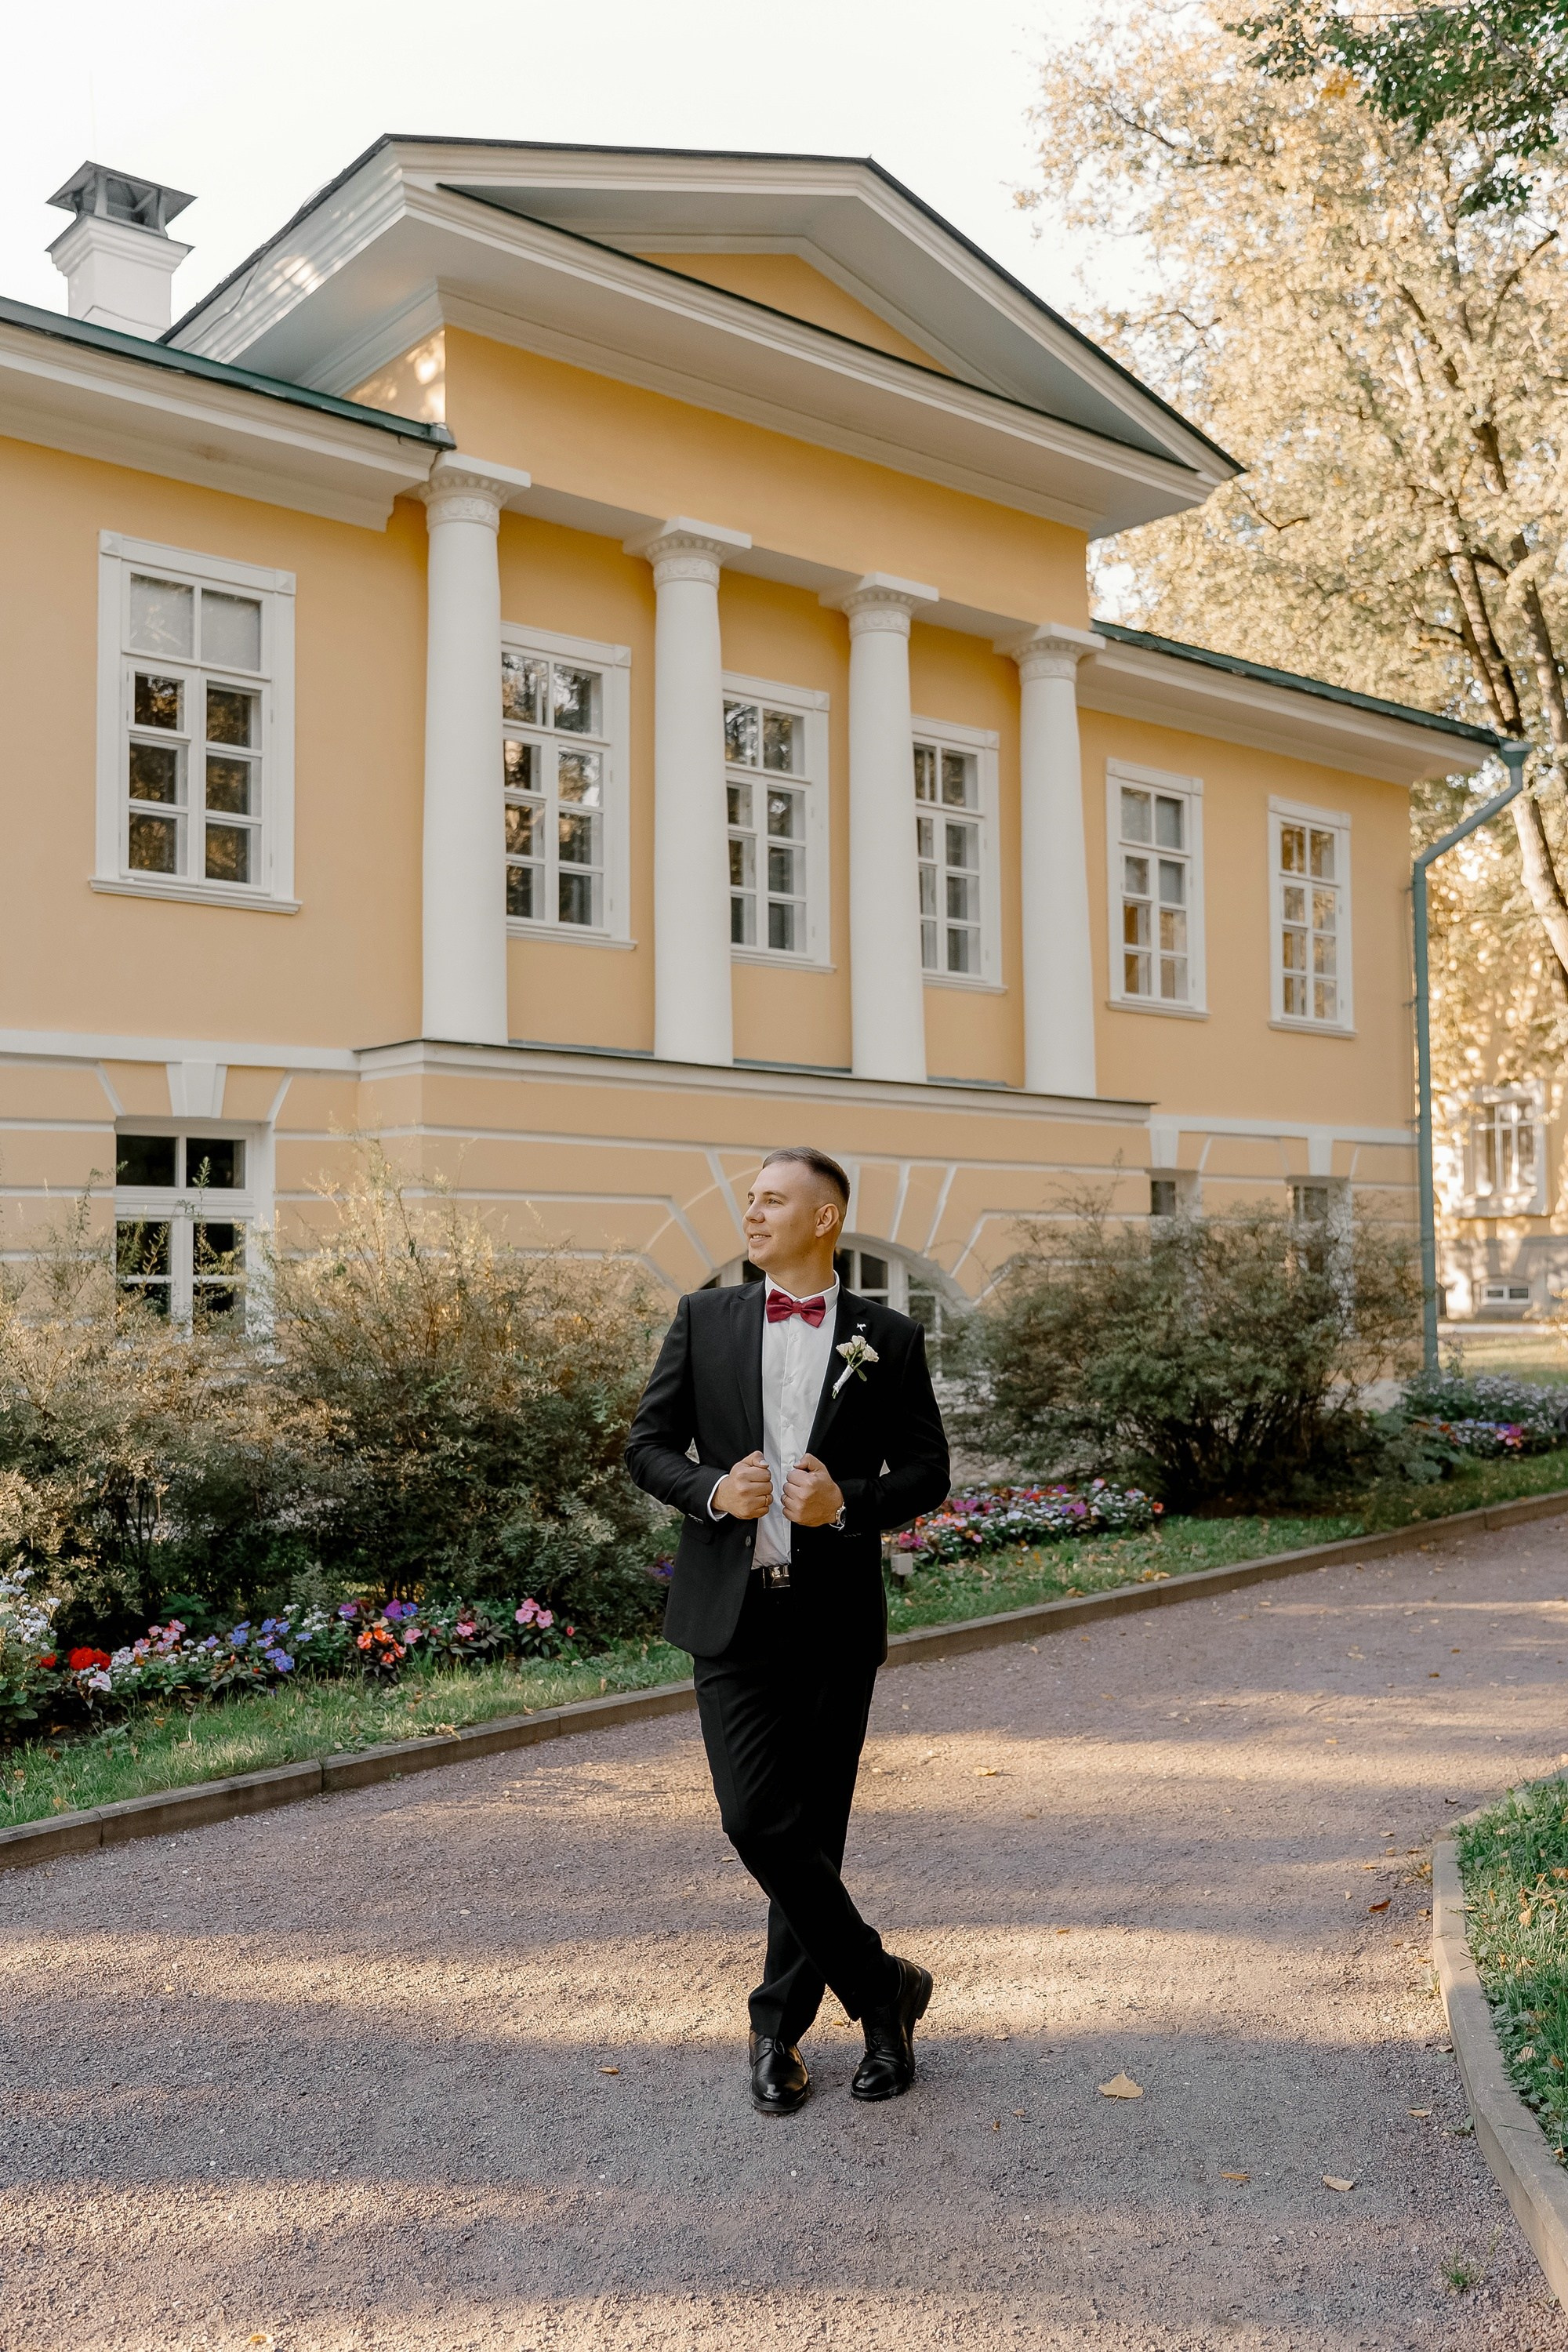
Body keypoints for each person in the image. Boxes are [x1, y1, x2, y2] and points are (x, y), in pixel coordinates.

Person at [624, 1146, 950, 2115]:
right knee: (753, 1820)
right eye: (749, 1199)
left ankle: (778, 2034)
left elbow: (927, 1473)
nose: (752, 1213)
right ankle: (880, 1988)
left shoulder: (886, 1338)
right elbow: (647, 1447)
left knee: (813, 1833)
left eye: (772, 1200)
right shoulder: (706, 1318)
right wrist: (713, 1489)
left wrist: (843, 1506)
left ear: (824, 1218)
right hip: (729, 1611)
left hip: (833, 1619)